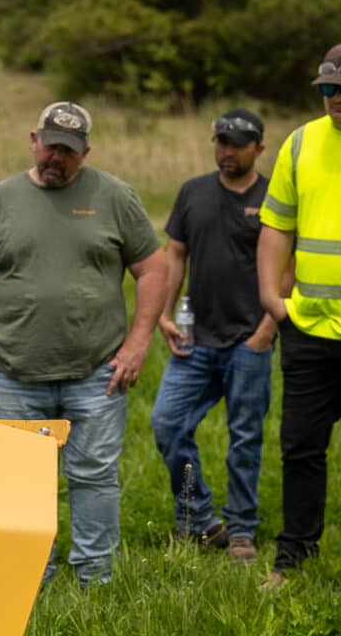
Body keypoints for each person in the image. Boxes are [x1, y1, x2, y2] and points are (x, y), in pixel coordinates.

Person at [0, 102, 167, 586]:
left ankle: (95, 576)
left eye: (69, 152)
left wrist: (138, 343)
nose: (57, 158)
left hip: (96, 370)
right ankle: (32, 573)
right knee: (22, 481)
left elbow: (153, 269)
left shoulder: (116, 196)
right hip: (16, 371)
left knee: (94, 474)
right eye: (50, 146)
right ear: (33, 139)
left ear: (85, 152)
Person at [150, 108, 276, 563]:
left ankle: (242, 528)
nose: (227, 151)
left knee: (245, 437)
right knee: (167, 424)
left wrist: (266, 330)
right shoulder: (193, 193)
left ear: (259, 148)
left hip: (249, 340)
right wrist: (165, 313)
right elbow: (176, 255)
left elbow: (288, 266)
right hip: (194, 340)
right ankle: (198, 518)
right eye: (221, 142)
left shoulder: (273, 196)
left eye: (238, 144)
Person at [258, 44, 341, 587]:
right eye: (328, 90)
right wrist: (271, 296)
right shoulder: (300, 142)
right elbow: (276, 227)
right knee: (301, 449)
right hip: (308, 328)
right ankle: (294, 559)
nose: (335, 99)